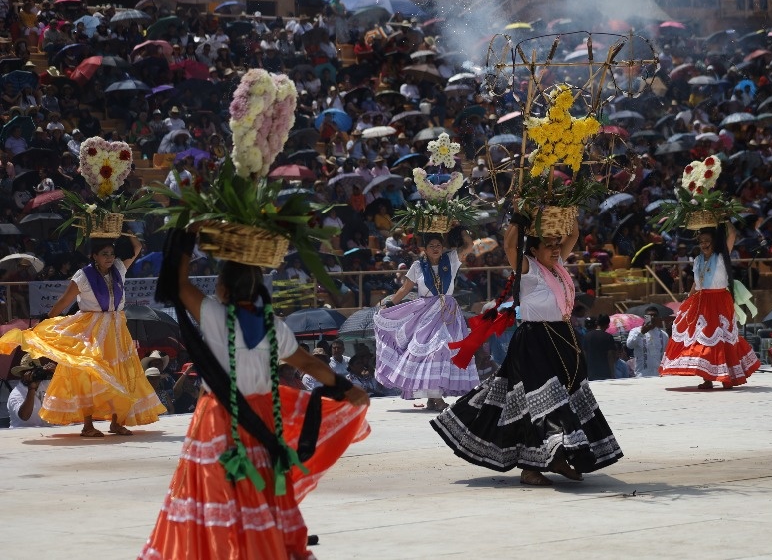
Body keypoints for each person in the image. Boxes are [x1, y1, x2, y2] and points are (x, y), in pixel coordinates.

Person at [139, 243, 371, 559]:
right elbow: (311, 365)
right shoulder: (273, 326)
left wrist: (186, 235)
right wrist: (348, 389)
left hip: (217, 417)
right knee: (259, 483)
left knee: (216, 486)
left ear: (221, 289)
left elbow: (179, 284)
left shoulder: (213, 314)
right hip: (261, 414)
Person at [431, 212, 623, 486]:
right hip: (535, 342)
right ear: (534, 249)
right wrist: (518, 221)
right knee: (544, 402)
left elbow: (574, 236)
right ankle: (545, 461)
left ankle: (544, 463)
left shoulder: (558, 266)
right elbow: (510, 247)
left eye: (558, 245)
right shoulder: (529, 269)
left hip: (563, 339)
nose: (557, 249)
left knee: (547, 401)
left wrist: (570, 211)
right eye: (550, 245)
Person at [0, 235, 164, 436]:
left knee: (120, 374)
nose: (109, 258)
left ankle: (116, 422)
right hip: (91, 330)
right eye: (104, 254)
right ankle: (88, 425)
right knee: (88, 374)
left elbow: (137, 246)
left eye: (111, 254)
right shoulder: (83, 276)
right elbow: (64, 300)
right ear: (94, 255)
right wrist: (48, 318)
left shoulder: (119, 268)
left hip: (117, 330)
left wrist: (121, 226)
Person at [373, 227, 479, 410]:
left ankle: (433, 397)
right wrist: (389, 305)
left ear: (443, 247)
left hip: (448, 313)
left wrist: (460, 227)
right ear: (425, 248)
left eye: (438, 245)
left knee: (445, 349)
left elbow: (469, 246)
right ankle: (434, 398)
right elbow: (404, 289)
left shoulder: (451, 259)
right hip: (426, 314)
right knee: (434, 351)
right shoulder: (417, 266)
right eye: (431, 245)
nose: (435, 248)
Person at [659, 224, 761, 388]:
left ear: (715, 243)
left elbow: (732, 233)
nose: (704, 244)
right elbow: (696, 283)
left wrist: (724, 217)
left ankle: (727, 377)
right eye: (701, 241)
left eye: (707, 241)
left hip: (720, 301)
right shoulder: (698, 260)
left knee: (721, 339)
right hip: (702, 302)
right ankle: (707, 378)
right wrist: (688, 299)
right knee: (703, 338)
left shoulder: (721, 256)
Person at [7, 357, 53, 428]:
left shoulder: (46, 384)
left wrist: (58, 374)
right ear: (23, 375)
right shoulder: (16, 394)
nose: (36, 375)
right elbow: (24, 416)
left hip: (46, 432)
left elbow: (69, 392)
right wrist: (31, 388)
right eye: (31, 372)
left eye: (38, 371)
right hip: (24, 435)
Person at [626, 306, 670, 377]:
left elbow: (666, 356)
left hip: (658, 375)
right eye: (649, 315)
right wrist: (641, 333)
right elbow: (629, 345)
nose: (652, 317)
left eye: (655, 315)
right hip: (642, 375)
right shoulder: (635, 331)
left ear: (658, 318)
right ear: (645, 318)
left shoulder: (663, 335)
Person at [583, 314, 615, 381]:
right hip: (605, 373)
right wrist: (612, 374)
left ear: (597, 323)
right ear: (607, 325)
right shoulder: (608, 337)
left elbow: (585, 355)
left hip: (591, 373)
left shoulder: (587, 336)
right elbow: (610, 356)